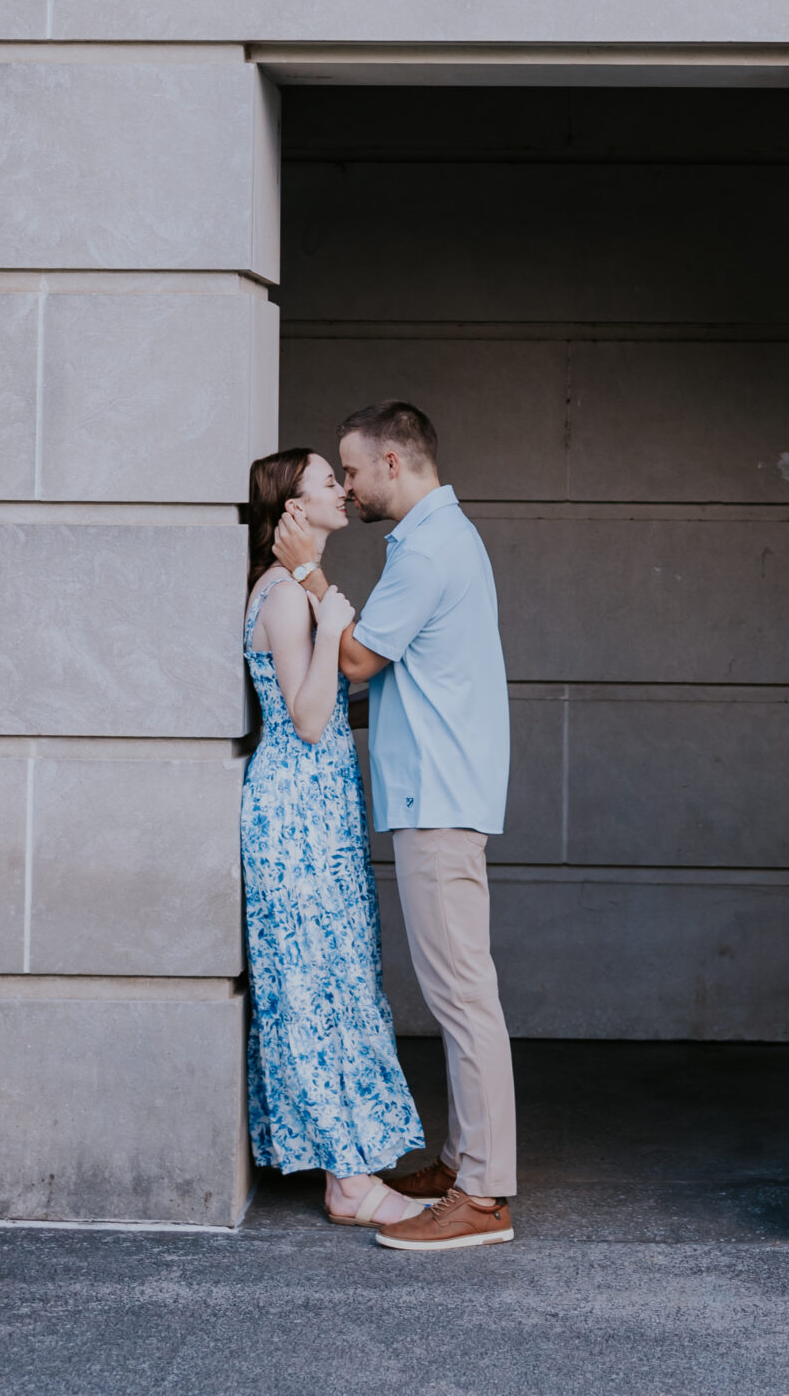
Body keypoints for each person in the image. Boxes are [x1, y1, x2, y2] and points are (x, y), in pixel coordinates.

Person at [274, 398, 516, 1252]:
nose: (345, 484)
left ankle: (483, 1198)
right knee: (457, 991)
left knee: (461, 996)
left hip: (439, 803)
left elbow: (356, 660)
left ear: (392, 464)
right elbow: (396, 686)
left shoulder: (429, 550)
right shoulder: (433, 541)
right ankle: (459, 1163)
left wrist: (306, 571)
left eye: (350, 468)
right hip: (437, 795)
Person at [240, 446, 430, 1228]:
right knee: (316, 990)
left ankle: (348, 1162)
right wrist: (336, 624)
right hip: (293, 813)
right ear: (291, 508)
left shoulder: (294, 594)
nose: (341, 491)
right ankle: (347, 1185)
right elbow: (310, 719)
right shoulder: (286, 598)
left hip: (316, 810)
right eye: (326, 481)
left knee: (338, 981)